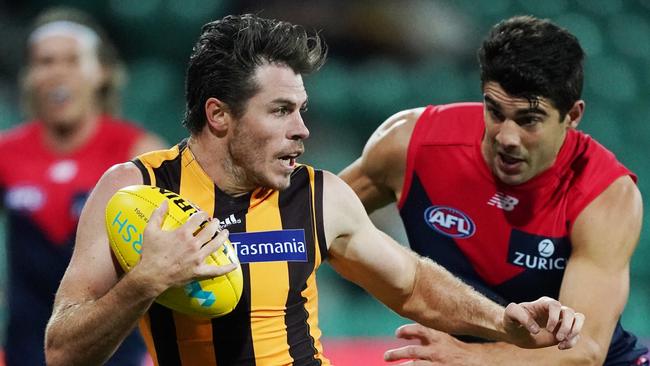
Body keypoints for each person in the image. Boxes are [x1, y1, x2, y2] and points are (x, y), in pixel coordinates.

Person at [43, 14, 584, 366]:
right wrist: (146, 280)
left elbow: (413, 284)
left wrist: (505, 321)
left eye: (301, 110)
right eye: (280, 111)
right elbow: (62, 351)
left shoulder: (319, 195)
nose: (301, 129)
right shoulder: (135, 191)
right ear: (219, 115)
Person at [339, 15, 649, 366]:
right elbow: (316, 215)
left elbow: (583, 350)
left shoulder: (605, 194)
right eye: (495, 111)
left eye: (529, 119)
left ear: (573, 115)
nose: (507, 137)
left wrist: (466, 357)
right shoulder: (409, 145)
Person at [0, 7, 166, 366]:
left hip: (119, 352)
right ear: (29, 75)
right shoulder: (6, 154)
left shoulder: (139, 152)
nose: (57, 72)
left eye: (72, 60)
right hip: (26, 352)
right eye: (45, 62)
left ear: (102, 72)